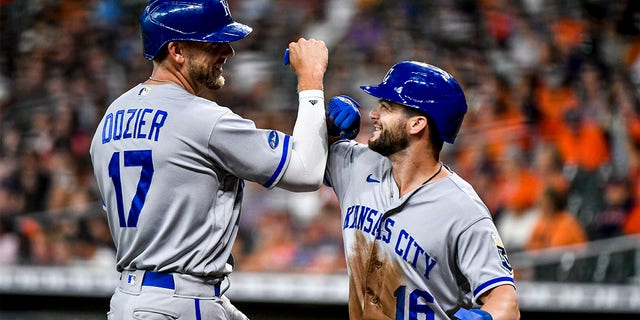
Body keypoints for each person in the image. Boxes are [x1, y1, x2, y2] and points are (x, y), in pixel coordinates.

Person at [89, 0, 328, 319]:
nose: (227, 51)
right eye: (213, 42)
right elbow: (306, 172)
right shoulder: (203, 119)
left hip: (132, 298)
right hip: (181, 299)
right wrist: (310, 83)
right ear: (176, 50)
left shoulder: (111, 117)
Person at [324, 61, 520, 319]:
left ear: (416, 124)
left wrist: (486, 317)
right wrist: (328, 128)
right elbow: (304, 160)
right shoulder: (359, 165)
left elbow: (506, 302)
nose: (373, 114)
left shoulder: (463, 209)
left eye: (386, 107)